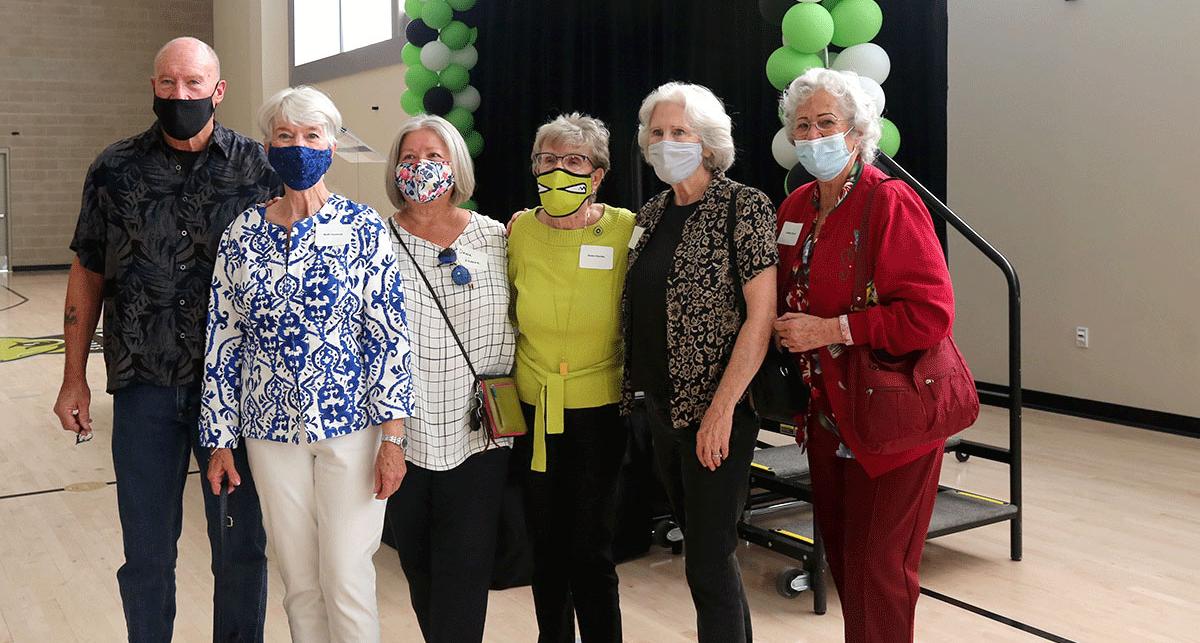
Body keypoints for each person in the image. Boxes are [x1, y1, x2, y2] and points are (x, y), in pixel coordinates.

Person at [52, 36, 278, 643]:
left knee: (239, 547)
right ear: (153, 87)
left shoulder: (261, 170)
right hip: (144, 389)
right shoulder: (114, 169)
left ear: (218, 90)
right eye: (168, 83)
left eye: (194, 84)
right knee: (147, 554)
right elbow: (89, 271)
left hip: (235, 396)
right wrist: (73, 376)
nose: (180, 95)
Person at [202, 85, 414, 643]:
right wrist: (219, 438)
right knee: (298, 580)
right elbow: (223, 339)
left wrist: (394, 440)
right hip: (268, 431)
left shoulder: (364, 229)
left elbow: (390, 336)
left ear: (332, 145)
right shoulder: (241, 235)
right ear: (269, 147)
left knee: (345, 573)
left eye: (313, 135)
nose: (299, 146)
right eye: (286, 136)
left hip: (355, 428)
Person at [773, 67, 956, 643]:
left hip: (892, 418)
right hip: (828, 416)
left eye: (827, 122)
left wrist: (832, 330)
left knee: (880, 572)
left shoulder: (889, 201)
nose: (814, 135)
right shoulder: (798, 206)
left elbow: (929, 315)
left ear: (857, 132)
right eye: (802, 125)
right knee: (851, 565)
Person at [622, 82, 778, 643]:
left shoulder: (745, 206)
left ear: (708, 142)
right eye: (657, 133)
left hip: (718, 411)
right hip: (662, 409)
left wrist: (721, 411)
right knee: (708, 550)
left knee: (707, 559)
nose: (667, 142)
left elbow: (760, 320)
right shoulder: (653, 211)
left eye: (679, 132)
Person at [382, 114, 515, 643]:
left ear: (456, 166)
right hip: (403, 431)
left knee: (464, 566)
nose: (420, 167)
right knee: (417, 561)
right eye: (410, 158)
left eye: (434, 157)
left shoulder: (497, 235)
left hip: (478, 428)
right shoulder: (375, 239)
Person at [507, 113, 636, 643]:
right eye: (548, 160)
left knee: (591, 549)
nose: (559, 170)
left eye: (574, 161)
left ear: (598, 173)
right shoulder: (516, 232)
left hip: (599, 409)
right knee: (545, 546)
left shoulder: (627, 229)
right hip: (533, 407)